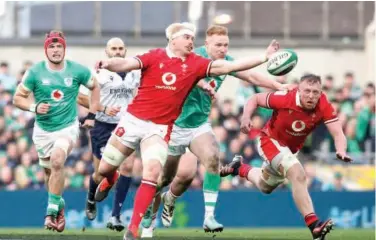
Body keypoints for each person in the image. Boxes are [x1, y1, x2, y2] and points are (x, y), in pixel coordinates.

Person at [94, 22, 280, 240]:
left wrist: (265, 58)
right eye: (187, 38)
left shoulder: (197, 63)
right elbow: (125, 63)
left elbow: (235, 69)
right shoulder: (155, 56)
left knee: (161, 173)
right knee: (107, 169)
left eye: (193, 38)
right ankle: (110, 178)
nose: (191, 41)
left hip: (164, 127)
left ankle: (135, 229)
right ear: (174, 40)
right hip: (136, 120)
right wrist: (107, 62)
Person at [140, 25, 292, 236]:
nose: (222, 49)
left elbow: (253, 77)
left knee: (213, 158)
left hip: (198, 125)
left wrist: (279, 86)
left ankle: (208, 217)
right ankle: (149, 218)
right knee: (169, 178)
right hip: (174, 124)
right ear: (206, 45)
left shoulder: (226, 61)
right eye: (218, 45)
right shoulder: (192, 56)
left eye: (226, 45)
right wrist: (203, 85)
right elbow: (190, 73)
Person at [220, 74, 352, 240]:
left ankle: (239, 168)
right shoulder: (285, 97)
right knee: (298, 174)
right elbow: (255, 98)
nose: (311, 96)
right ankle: (314, 225)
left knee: (265, 186)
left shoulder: (323, 104)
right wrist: (246, 117)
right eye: (307, 91)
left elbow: (338, 133)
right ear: (299, 89)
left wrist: (341, 150)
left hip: (289, 150)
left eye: (315, 92)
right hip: (269, 141)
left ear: (320, 93)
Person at [12, 30, 100, 232]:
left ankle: (50, 212)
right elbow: (18, 98)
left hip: (67, 127)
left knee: (58, 160)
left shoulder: (77, 70)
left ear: (64, 49)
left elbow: (95, 87)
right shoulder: (34, 72)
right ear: (46, 50)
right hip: (42, 131)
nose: (56, 50)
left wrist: (92, 114)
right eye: (51, 46)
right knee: (49, 173)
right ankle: (59, 205)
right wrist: (34, 107)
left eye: (59, 46)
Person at [78, 37, 140, 232]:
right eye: (113, 48)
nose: (117, 51)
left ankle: (116, 216)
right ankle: (90, 197)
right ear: (107, 52)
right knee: (102, 172)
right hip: (102, 126)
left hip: (126, 125)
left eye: (121, 48)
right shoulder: (98, 73)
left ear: (125, 50)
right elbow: (80, 96)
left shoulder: (134, 72)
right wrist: (102, 108)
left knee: (128, 166)